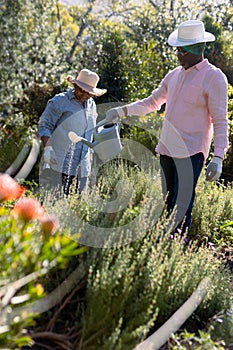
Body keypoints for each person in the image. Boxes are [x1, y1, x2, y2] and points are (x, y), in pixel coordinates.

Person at [105, 20, 229, 235]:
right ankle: (164, 243)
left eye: (181, 49)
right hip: (167, 149)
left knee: (182, 203)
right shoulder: (173, 75)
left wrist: (218, 157)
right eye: (177, 49)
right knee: (167, 200)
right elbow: (151, 103)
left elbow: (220, 121)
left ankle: (177, 246)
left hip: (191, 151)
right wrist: (121, 111)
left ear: (196, 49)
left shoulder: (214, 77)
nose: (177, 53)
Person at [38, 68, 107, 195]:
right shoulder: (60, 101)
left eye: (89, 93)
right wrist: (48, 148)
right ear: (75, 85)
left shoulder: (92, 105)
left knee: (77, 208)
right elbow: (44, 125)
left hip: (83, 168)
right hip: (58, 164)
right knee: (55, 204)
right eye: (82, 90)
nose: (85, 95)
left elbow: (90, 133)